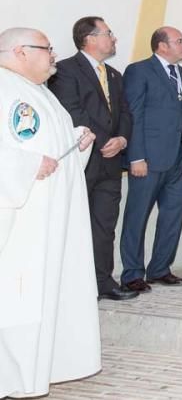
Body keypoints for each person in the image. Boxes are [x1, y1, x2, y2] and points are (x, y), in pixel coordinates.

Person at [0, 27, 100, 398]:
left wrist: (76, 141)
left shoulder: (41, 93)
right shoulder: (3, 88)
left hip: (52, 219)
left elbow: (48, 147)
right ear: (20, 51)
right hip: (22, 222)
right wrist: (24, 168)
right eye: (46, 49)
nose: (53, 55)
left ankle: (48, 366)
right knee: (19, 298)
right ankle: (11, 376)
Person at [49, 17, 135, 301]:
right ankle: (71, 285)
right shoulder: (64, 71)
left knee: (104, 224)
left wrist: (121, 139)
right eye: (109, 33)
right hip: (83, 159)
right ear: (89, 38)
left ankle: (103, 281)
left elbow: (125, 112)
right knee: (73, 223)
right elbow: (70, 110)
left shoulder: (114, 75)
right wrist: (100, 139)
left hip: (111, 163)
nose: (114, 38)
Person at [120, 26, 182, 293]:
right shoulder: (139, 71)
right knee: (137, 217)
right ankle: (132, 273)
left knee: (173, 216)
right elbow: (134, 115)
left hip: (179, 160)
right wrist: (136, 156)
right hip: (148, 159)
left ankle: (160, 268)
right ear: (162, 45)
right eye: (180, 41)